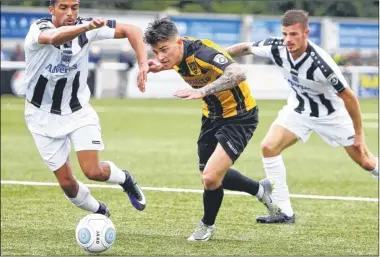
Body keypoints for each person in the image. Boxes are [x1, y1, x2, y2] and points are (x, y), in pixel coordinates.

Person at [226, 9, 378, 224]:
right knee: (269, 147)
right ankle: (285, 212)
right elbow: (246, 48)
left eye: (294, 34)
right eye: (285, 34)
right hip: (298, 110)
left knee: (365, 161)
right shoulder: (276, 47)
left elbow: (350, 97)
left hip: (331, 116)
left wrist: (359, 134)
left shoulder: (321, 65)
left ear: (306, 33)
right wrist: (217, 55)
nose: (288, 39)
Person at [144, 18, 278, 241]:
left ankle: (207, 225)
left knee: (210, 177)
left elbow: (238, 73)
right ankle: (260, 189)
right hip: (211, 117)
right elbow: (179, 60)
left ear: (178, 42)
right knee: (212, 177)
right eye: (156, 52)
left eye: (164, 50)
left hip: (239, 116)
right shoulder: (175, 54)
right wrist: (160, 66)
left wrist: (203, 90)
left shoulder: (200, 52)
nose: (160, 56)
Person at [23, 0, 149, 217]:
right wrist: (87, 27)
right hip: (40, 116)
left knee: (93, 171)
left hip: (77, 112)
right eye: (63, 7)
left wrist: (142, 63)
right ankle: (100, 211)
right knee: (68, 185)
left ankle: (125, 179)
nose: (70, 12)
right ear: (51, 10)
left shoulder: (88, 27)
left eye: (75, 7)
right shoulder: (39, 29)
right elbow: (54, 38)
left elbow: (133, 30)